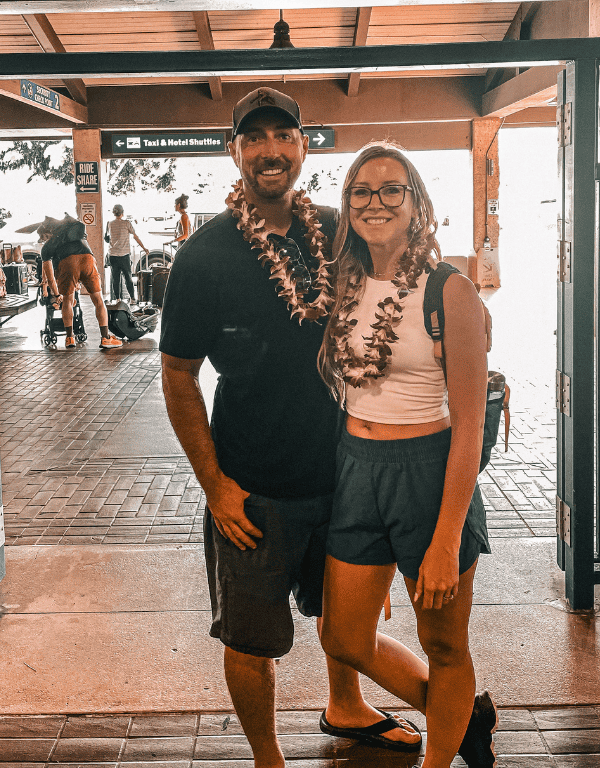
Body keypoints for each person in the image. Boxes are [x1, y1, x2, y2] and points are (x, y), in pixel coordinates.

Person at [160, 88, 420, 768]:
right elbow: (179, 376)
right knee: (251, 639)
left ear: (304, 146)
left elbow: (398, 309)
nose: (270, 149)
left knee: (348, 620)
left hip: (346, 475)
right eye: (255, 138)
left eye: (284, 135)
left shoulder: (341, 234)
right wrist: (215, 487)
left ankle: (346, 706)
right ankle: (267, 758)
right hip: (252, 488)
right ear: (236, 150)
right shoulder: (204, 256)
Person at [317, 142, 496, 768]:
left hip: (428, 472)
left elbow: (469, 423)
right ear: (347, 206)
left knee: (444, 645)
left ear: (416, 203)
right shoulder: (343, 283)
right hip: (354, 469)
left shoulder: (452, 292)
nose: (376, 202)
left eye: (392, 189)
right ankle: (460, 710)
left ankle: (438, 757)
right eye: (362, 190)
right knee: (342, 634)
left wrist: (446, 538)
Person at [41, 214, 122, 350]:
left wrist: (56, 294)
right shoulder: (75, 233)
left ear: (48, 232)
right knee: (98, 300)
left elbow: (50, 277)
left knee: (67, 300)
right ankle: (105, 338)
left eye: (43, 237)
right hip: (87, 259)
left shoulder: (47, 247)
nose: (42, 240)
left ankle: (69, 338)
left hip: (67, 263)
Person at [107, 204, 149, 302]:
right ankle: (132, 298)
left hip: (113, 255)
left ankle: (117, 299)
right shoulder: (126, 223)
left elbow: (109, 238)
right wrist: (144, 247)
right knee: (128, 277)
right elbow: (135, 236)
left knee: (115, 278)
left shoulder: (110, 224)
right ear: (122, 213)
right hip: (124, 255)